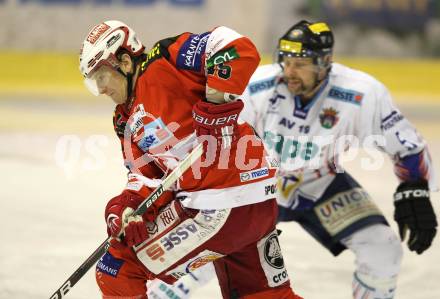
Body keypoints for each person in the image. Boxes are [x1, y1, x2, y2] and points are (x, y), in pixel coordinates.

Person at [79, 20, 303, 299]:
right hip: (253, 203)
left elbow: (234, 45)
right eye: (93, 81)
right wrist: (127, 207)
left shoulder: (166, 59)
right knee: (261, 294)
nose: (100, 89)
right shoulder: (124, 119)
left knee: (117, 269)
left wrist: (217, 100)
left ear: (124, 61)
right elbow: (145, 176)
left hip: (221, 203)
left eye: (101, 76)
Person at [240, 20, 438, 299]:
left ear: (325, 62)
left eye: (300, 63)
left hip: (321, 183)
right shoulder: (257, 85)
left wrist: (414, 189)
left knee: (384, 250)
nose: (289, 71)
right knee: (204, 253)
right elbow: (219, 139)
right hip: (257, 184)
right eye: (285, 61)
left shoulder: (361, 93)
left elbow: (406, 145)